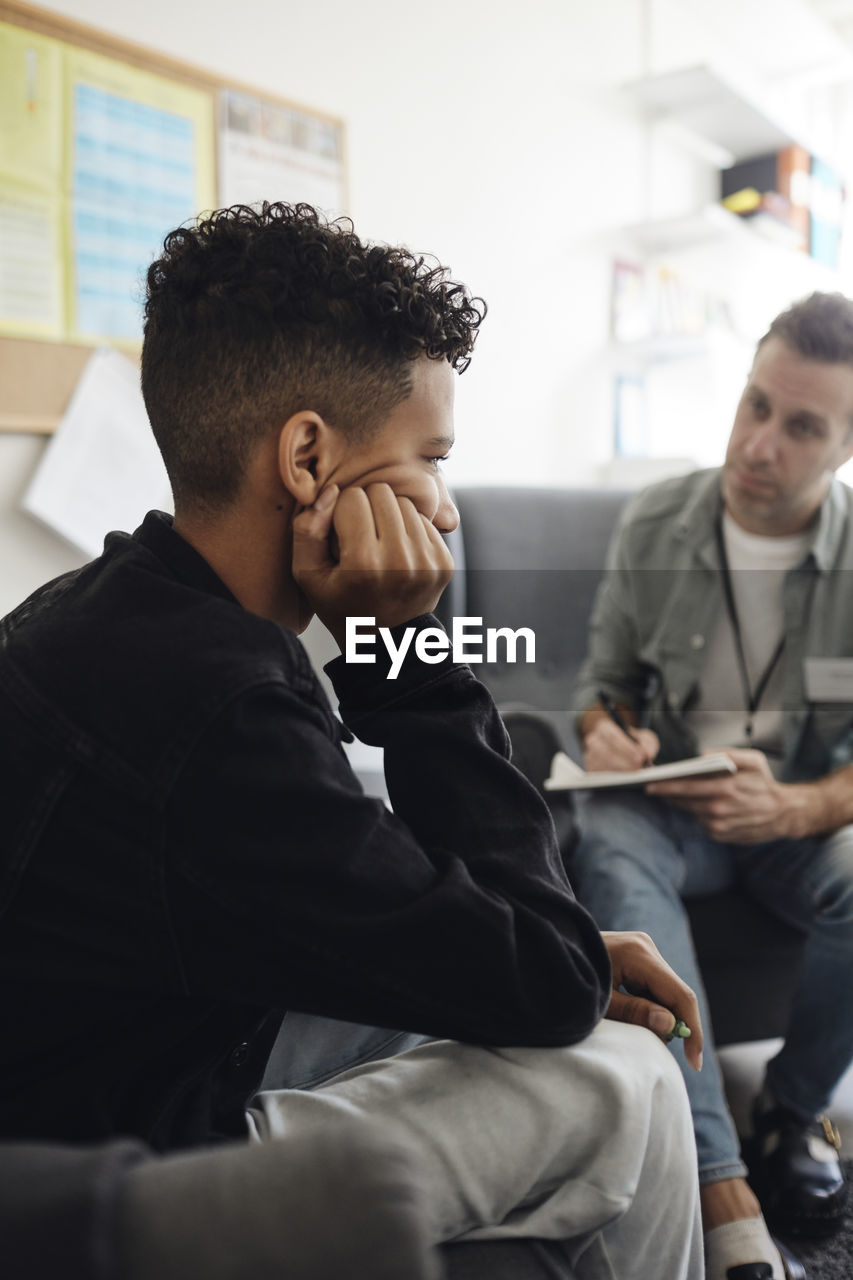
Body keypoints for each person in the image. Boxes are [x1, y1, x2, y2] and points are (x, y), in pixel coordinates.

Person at [0, 202, 704, 1279]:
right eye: (431, 455)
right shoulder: (227, 713)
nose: (450, 510)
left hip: (104, 1064)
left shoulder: (89, 609)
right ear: (307, 457)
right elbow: (551, 981)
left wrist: (544, 943)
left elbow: (344, 893)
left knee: (555, 1006)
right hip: (138, 1169)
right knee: (624, 1071)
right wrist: (403, 653)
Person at [570, 291, 853, 1280]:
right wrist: (606, 733)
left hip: (793, 820)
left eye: (801, 425)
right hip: (675, 818)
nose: (760, 442)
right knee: (604, 828)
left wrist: (803, 805)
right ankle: (716, 1167)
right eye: (753, 405)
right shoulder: (655, 518)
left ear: (844, 447)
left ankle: (790, 1111)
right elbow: (598, 689)